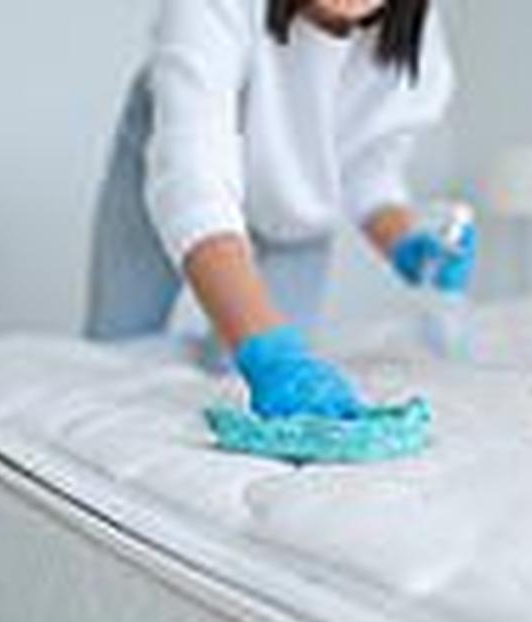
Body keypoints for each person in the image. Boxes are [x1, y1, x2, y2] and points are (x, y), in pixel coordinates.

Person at [84, 0, 475, 420]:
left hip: (295, 212)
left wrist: (407, 244)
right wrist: (268, 354)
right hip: (173, 163)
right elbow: (194, 182)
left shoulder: (417, 36)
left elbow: (367, 168)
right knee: (117, 350)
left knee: (237, 371)